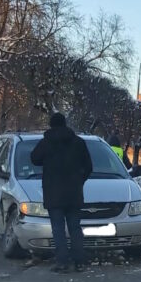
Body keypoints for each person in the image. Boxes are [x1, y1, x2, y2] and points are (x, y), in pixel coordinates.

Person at [31, 113, 93, 273]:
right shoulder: (78, 142)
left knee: (58, 229)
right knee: (75, 228)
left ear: (51, 124)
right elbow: (89, 167)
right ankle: (79, 261)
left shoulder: (46, 142)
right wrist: (79, 180)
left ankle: (62, 262)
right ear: (65, 124)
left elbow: (34, 158)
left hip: (53, 193)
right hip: (74, 193)